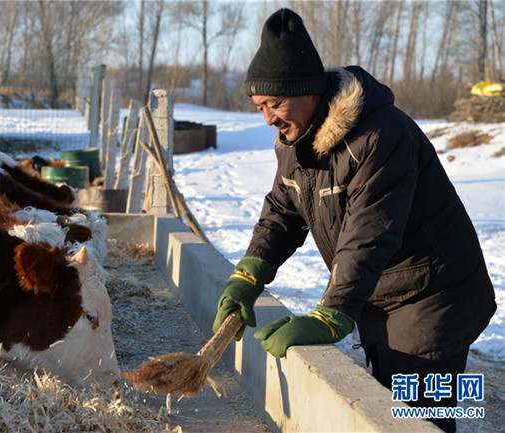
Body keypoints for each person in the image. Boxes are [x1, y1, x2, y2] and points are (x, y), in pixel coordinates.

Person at [212, 8, 496, 433]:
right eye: (259, 107)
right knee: (390, 401)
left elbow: (369, 234)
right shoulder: (294, 140)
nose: (268, 118)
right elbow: (282, 213)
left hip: (433, 294)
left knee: (416, 414)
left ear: (308, 90)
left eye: (275, 103)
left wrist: (332, 314)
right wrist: (248, 276)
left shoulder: (379, 136)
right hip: (383, 292)